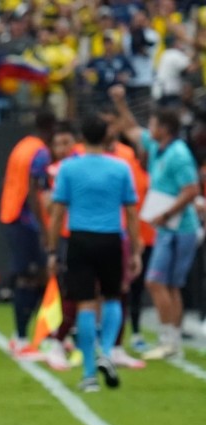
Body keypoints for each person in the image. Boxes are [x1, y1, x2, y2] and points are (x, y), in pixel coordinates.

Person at [45, 115, 142, 392]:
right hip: (112, 238)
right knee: (113, 298)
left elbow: (57, 212)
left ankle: (89, 372)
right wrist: (135, 249)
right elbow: (132, 213)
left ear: (81, 139)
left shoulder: (68, 169)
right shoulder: (121, 168)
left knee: (85, 304)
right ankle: (107, 352)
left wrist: (53, 250)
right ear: (106, 138)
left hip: (80, 239)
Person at [111, 86, 201, 360]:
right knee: (170, 284)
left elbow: (192, 190)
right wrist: (120, 103)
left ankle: (167, 337)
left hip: (177, 226)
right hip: (169, 226)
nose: (148, 128)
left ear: (165, 128)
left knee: (156, 281)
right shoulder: (159, 147)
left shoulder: (178, 155)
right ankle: (172, 340)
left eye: (153, 124)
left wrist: (166, 214)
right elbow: (131, 130)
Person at [0, 110, 55, 360]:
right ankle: (22, 339)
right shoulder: (40, 151)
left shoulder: (22, 146)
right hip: (26, 221)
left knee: (35, 276)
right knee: (29, 277)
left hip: (11, 214)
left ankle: (37, 335)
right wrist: (44, 229)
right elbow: (34, 191)